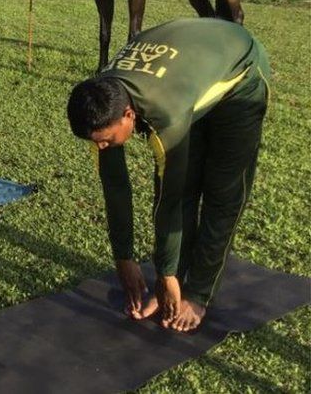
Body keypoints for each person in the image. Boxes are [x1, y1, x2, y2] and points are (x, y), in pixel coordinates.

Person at [67, 18, 270, 332]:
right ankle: (175, 278)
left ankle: (198, 292)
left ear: (129, 115)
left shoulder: (165, 113)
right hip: (190, 71)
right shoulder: (102, 100)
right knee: (186, 183)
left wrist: (165, 274)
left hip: (240, 74)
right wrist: (123, 258)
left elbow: (169, 201)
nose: (103, 145)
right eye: (98, 142)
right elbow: (116, 187)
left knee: (221, 193)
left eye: (106, 139)